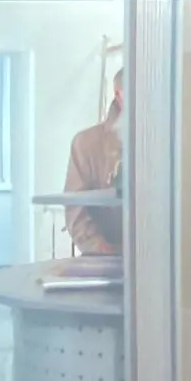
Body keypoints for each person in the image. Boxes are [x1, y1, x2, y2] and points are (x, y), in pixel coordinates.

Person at [64, 68, 123, 255]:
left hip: (165, 260)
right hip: (106, 259)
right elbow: (76, 208)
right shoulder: (87, 143)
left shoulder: (173, 142)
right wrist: (99, 248)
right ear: (119, 95)